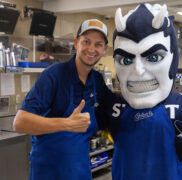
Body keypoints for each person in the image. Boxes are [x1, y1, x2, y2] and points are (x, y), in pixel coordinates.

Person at [95, 3, 182, 180]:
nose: (138, 70)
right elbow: (83, 126)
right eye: (125, 60)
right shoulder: (114, 105)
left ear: (172, 59)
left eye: (153, 58)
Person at [13, 19, 115, 180]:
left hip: (80, 171)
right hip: (48, 173)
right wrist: (67, 123)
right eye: (86, 42)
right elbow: (20, 122)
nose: (91, 49)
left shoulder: (97, 80)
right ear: (76, 43)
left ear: (104, 50)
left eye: (98, 44)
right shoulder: (53, 76)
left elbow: (114, 105)